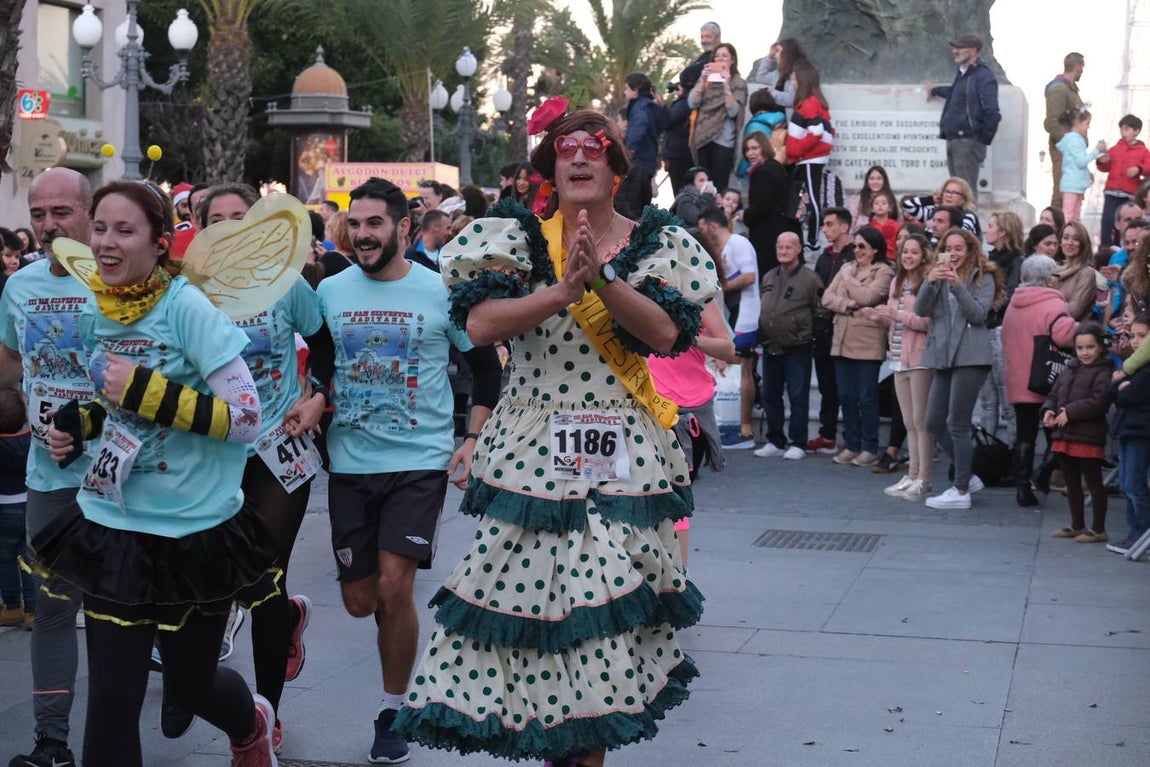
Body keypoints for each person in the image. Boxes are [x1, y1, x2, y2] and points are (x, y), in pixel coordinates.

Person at [394, 107, 714, 766]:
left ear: (615, 165)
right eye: (565, 150)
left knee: (597, 618)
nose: (578, 159)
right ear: (550, 168)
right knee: (541, 624)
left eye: (594, 148)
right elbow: (480, 326)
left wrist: (601, 279)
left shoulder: (657, 241)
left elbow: (664, 333)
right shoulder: (514, 236)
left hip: (620, 455)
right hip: (531, 452)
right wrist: (562, 289)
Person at [36, 180, 279, 766]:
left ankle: (251, 724)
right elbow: (116, 405)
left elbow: (249, 418)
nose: (106, 243)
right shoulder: (98, 306)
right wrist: (80, 425)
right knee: (113, 702)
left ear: (159, 242)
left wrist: (147, 390)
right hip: (114, 521)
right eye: (99, 229)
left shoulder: (188, 309)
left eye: (124, 230)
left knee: (192, 686)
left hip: (193, 532)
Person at [293, 177, 501, 763]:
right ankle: (296, 617)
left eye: (374, 224)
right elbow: (321, 367)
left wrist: (472, 437)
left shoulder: (441, 293)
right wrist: (313, 398)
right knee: (361, 601)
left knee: (395, 582)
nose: (362, 234)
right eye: (355, 224)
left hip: (420, 461)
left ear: (403, 229)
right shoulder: (329, 292)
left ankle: (394, 709)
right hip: (350, 463)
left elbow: (485, 370)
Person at [194, 182, 325, 753]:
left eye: (238, 217)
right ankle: (285, 623)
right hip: (210, 453)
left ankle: (267, 712)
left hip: (278, 448)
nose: (227, 226)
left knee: (266, 571)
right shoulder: (186, 294)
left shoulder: (288, 286)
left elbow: (325, 346)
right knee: (222, 576)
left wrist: (316, 393)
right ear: (200, 230)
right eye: (215, 219)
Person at [2, 167, 95, 767]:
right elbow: (10, 369)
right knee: (54, 606)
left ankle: (189, 688)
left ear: (89, 214)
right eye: (39, 214)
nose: (47, 225)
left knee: (133, 607)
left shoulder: (125, 282)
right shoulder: (20, 287)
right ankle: (51, 741)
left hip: (127, 478)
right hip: (48, 478)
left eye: (60, 212)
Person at [916, 227, 1001, 509]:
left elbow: (978, 314)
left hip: (971, 356)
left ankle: (961, 489)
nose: (953, 254)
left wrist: (956, 285)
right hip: (943, 355)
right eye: (948, 248)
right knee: (933, 422)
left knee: (958, 423)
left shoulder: (983, 276)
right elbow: (920, 310)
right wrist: (929, 282)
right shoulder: (938, 275)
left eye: (958, 249)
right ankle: (969, 474)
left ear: (970, 250)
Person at [1002, 255, 1079, 507]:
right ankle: (1044, 471)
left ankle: (1022, 489)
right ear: (1048, 279)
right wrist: (1081, 327)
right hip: (1047, 380)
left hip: (1019, 378)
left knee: (1025, 434)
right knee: (1058, 431)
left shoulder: (1014, 304)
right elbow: (1064, 335)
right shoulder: (1052, 304)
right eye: (1055, 275)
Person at [867, 233, 934, 500]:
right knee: (908, 421)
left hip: (920, 359)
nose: (908, 257)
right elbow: (898, 322)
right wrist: (879, 317)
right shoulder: (897, 281)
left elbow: (927, 322)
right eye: (905, 251)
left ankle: (924, 478)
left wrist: (896, 315)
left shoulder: (928, 283)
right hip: (897, 357)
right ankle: (913, 474)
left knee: (921, 421)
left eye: (914, 252)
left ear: (923, 255)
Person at [821, 226, 894, 467]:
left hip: (867, 341)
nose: (857, 251)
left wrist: (849, 280)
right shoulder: (847, 268)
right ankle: (851, 444)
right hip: (841, 339)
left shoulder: (883, 271)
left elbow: (869, 297)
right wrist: (851, 305)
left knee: (866, 397)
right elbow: (826, 298)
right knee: (846, 396)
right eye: (855, 246)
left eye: (862, 246)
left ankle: (869, 447)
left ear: (875, 248)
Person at [754, 231, 824, 460]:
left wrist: (806, 333)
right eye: (780, 247)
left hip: (798, 348)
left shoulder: (810, 279)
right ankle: (775, 439)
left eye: (788, 247)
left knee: (798, 396)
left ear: (798, 249)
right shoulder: (769, 276)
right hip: (770, 346)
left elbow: (821, 311)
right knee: (770, 395)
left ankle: (799, 442)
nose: (783, 251)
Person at [1042, 322, 1112, 542]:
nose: (1085, 352)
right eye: (1081, 348)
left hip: (1088, 435)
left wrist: (1069, 412)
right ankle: (1077, 524)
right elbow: (1054, 394)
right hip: (1065, 433)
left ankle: (1098, 528)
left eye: (1090, 347)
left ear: (1100, 347)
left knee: (1093, 481)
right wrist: (1049, 410)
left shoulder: (1103, 372)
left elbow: (1098, 401)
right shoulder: (1070, 369)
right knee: (1071, 482)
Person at [697, 206, 759, 449]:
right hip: (730, 314)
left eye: (702, 228)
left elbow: (749, 276)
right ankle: (726, 427)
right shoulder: (720, 249)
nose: (701, 233)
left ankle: (743, 430)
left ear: (712, 225)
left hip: (745, 316)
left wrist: (719, 286)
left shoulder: (738, 243)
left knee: (742, 369)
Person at [927, 33, 1000, 200]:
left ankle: (968, 226)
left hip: (967, 142)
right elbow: (956, 94)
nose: (955, 51)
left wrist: (981, 140)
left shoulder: (983, 76)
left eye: (959, 48)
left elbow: (993, 113)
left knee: (965, 194)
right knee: (955, 194)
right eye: (955, 47)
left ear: (973, 50)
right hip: (954, 140)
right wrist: (935, 90)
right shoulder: (963, 74)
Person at [809, 207, 856, 452]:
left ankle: (851, 437)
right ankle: (827, 435)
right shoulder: (824, 257)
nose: (824, 229)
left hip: (847, 326)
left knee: (847, 388)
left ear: (844, 226)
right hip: (823, 328)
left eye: (829, 224)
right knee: (827, 386)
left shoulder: (855, 255)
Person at [978, 211, 1024, 446]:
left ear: (1003, 231)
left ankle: (1016, 457)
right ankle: (989, 452)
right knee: (987, 399)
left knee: (1006, 398)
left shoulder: (1016, 261)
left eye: (991, 225)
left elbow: (1012, 296)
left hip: (1001, 331)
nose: (987, 229)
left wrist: (987, 305)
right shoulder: (988, 260)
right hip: (983, 329)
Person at [1108, 313, 1150, 555]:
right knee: (1126, 483)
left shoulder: (1143, 369)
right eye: (1133, 335)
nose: (1135, 341)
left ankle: (1140, 533)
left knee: (1134, 484)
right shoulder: (1133, 364)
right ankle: (1134, 533)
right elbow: (1112, 390)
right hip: (1128, 428)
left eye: (1142, 336)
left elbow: (1128, 395)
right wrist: (1120, 387)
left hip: (1140, 430)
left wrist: (1122, 387)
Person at [786, 62, 835, 253]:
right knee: (810, 197)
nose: (792, 81)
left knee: (813, 199)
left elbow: (816, 132)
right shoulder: (815, 103)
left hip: (809, 158)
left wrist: (795, 151)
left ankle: (813, 241)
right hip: (811, 158)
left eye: (793, 78)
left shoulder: (810, 104)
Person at [688, 42, 747, 189]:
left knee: (719, 186)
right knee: (703, 185)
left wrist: (726, 85)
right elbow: (692, 103)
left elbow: (734, 111)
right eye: (717, 56)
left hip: (724, 140)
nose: (720, 59)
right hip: (702, 138)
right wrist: (702, 81)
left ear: (732, 60)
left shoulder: (738, 82)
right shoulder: (706, 80)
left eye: (724, 56)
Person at [742, 130, 796, 278]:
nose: (750, 153)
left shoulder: (764, 171)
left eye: (754, 148)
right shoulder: (775, 167)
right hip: (777, 227)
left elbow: (763, 203)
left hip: (767, 232)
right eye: (747, 149)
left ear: (764, 147)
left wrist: (746, 215)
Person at [0, 388, 33, 629]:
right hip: (28, 502)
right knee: (28, 558)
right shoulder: (31, 440)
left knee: (5, 560)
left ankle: (12, 607)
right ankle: (33, 611)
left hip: (3, 508)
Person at [1097, 116, 1150, 248]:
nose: (1123, 132)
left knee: (1127, 222)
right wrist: (1101, 161)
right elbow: (1105, 167)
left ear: (1136, 131)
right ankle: (1106, 248)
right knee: (1108, 221)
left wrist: (1138, 169)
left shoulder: (1143, 151)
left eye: (1127, 129)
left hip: (1130, 194)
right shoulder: (1115, 149)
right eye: (1122, 129)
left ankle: (1125, 246)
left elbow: (1149, 167)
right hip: (1111, 191)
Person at [1044, 52, 1086, 209]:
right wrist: (1070, 144)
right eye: (1082, 67)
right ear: (1077, 67)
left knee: (1072, 195)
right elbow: (1052, 123)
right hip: (1064, 151)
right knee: (1062, 194)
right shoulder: (1058, 89)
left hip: (1073, 151)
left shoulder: (1071, 90)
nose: (1083, 71)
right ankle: (1054, 229)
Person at [620, 72, 666, 216]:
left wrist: (628, 150)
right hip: (648, 164)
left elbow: (640, 125)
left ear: (636, 90)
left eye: (627, 88)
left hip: (638, 165)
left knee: (632, 210)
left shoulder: (639, 107)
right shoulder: (652, 107)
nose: (625, 92)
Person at [1055, 107, 1107, 222]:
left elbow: (1075, 162)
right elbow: (1081, 161)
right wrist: (1096, 150)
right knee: (1070, 216)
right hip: (1073, 183)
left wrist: (1087, 173)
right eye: (1086, 123)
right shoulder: (1075, 140)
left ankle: (1073, 236)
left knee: (1074, 215)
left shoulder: (1072, 139)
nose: (1088, 127)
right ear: (1078, 123)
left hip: (1074, 182)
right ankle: (1067, 236)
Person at [900, 177, 981, 236]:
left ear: (963, 199)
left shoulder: (968, 216)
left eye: (954, 193)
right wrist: (931, 199)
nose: (949, 195)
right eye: (947, 191)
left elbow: (961, 234)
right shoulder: (933, 213)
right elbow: (908, 206)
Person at [736, 88, 787, 180]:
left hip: (757, 171)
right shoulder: (782, 120)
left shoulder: (754, 125)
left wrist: (742, 172)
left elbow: (750, 154)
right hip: (778, 166)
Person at [1056, 221, 1098, 321]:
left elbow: (1074, 311)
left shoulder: (1087, 273)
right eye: (1066, 238)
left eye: (1075, 239)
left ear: (1083, 244)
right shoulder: (1053, 269)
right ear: (1060, 242)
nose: (1069, 243)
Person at [662, 78, 696, 196]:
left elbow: (667, 121)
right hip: (680, 153)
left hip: (679, 155)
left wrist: (661, 107)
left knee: (680, 192)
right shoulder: (686, 103)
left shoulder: (684, 103)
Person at [849, 165, 894, 234]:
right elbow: (852, 220)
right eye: (872, 179)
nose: (875, 182)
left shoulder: (890, 198)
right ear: (867, 181)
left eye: (879, 179)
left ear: (884, 180)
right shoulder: (859, 199)